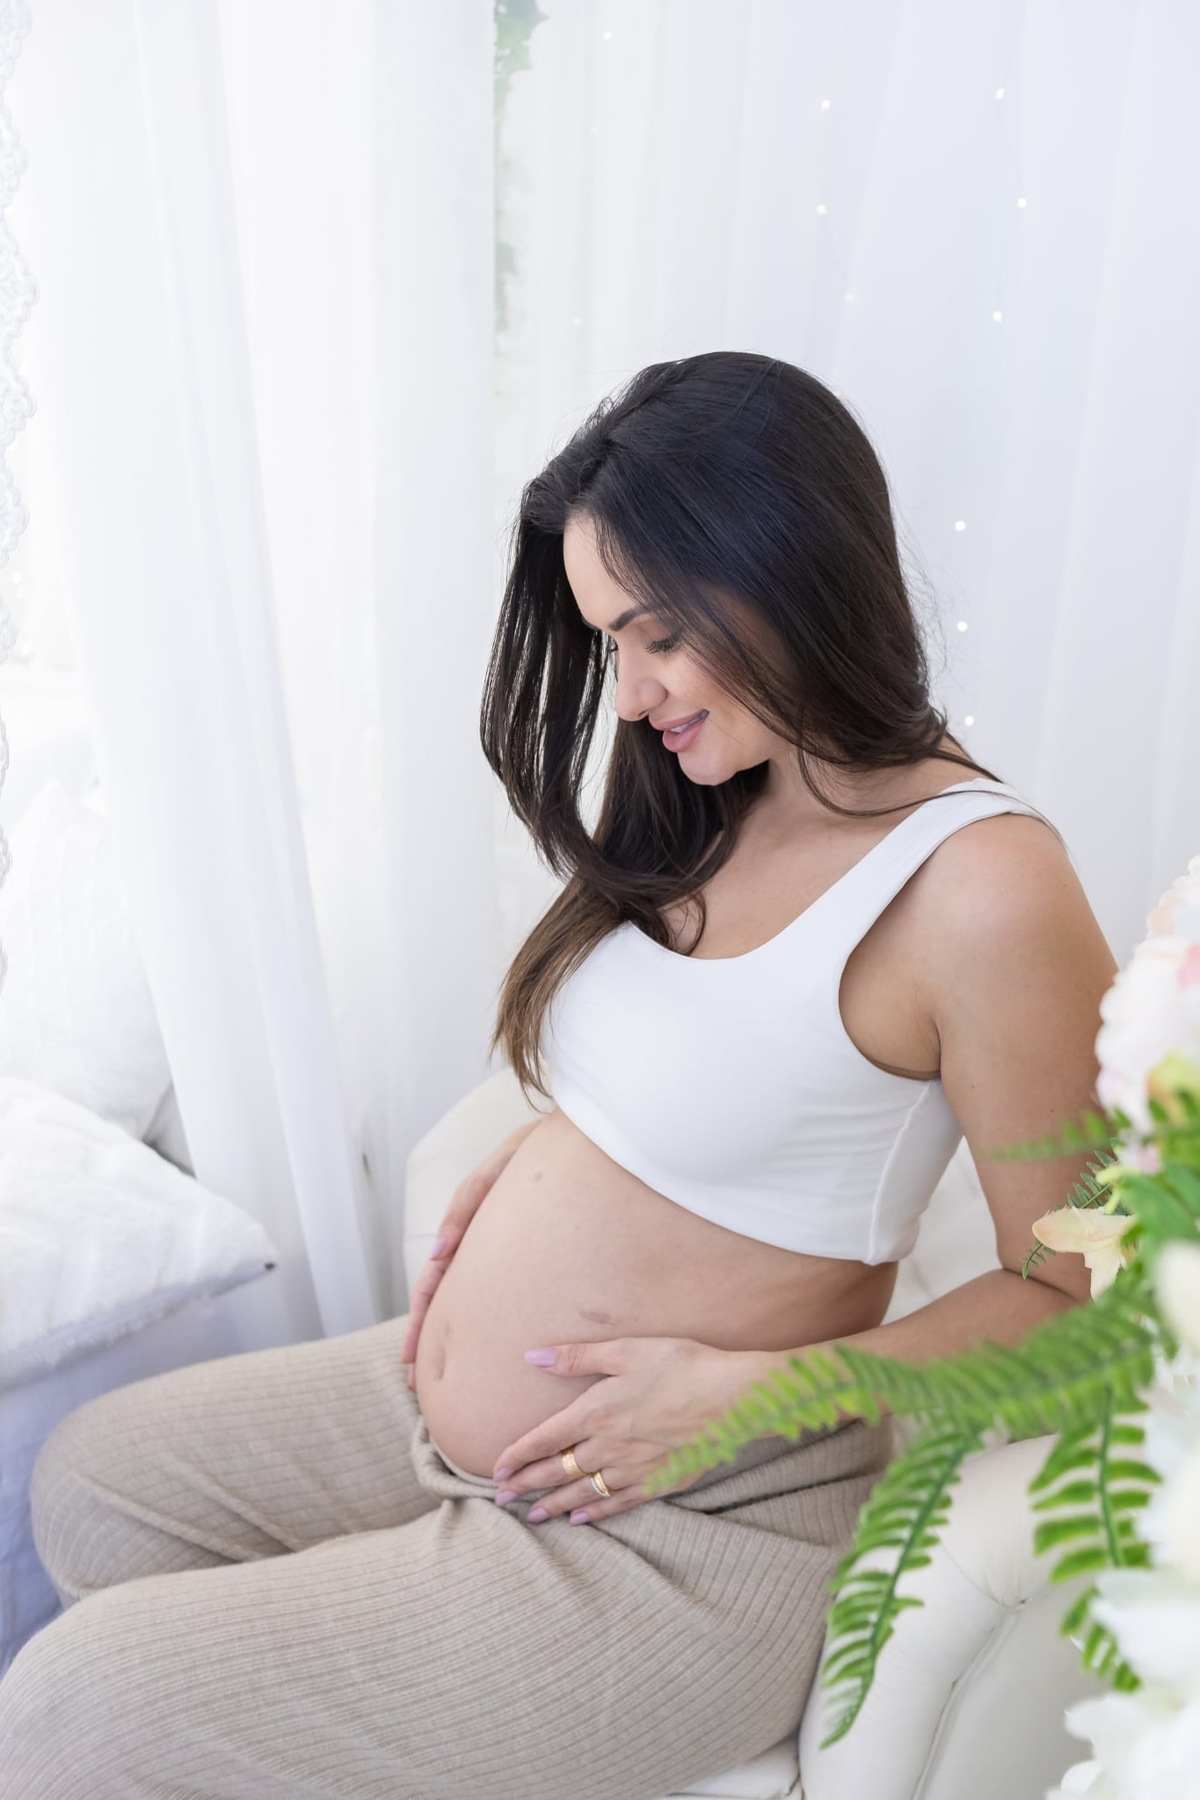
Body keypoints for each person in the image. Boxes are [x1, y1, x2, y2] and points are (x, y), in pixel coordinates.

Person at [0, 352, 1117, 1800]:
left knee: (77, 1706)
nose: (633, 691)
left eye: (656, 633)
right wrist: (533, 1170)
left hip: (690, 1528)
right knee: (94, 1480)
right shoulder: (727, 782)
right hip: (512, 1423)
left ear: (790, 568)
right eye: (608, 642)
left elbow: (1084, 1301)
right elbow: (698, 1076)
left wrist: (756, 1392)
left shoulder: (984, 891)